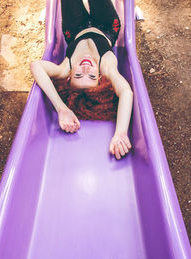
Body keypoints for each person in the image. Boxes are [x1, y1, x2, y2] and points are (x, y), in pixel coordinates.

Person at [30, 0, 133, 160]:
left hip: (74, 29)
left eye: (78, 75)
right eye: (91, 76)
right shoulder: (106, 67)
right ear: (100, 77)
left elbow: (36, 66)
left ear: (70, 75)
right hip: (106, 26)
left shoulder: (65, 68)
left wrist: (61, 108)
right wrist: (120, 132)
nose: (85, 69)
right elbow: (126, 92)